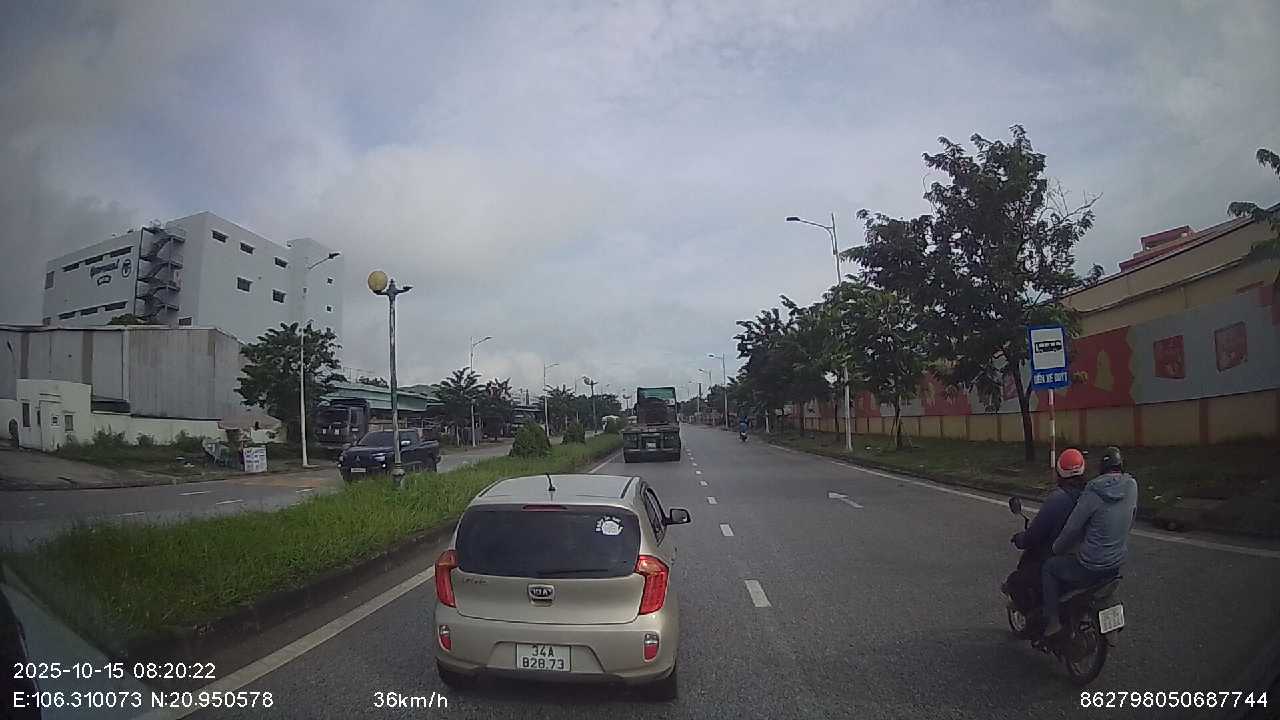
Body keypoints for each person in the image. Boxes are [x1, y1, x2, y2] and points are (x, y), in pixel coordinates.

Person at [1041, 446, 1138, 638]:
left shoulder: (1093, 491)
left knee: (1049, 567)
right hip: (1116, 564)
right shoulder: (1132, 486)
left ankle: (1053, 622)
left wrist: (1056, 548)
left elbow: (1072, 528)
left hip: (1090, 566)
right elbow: (1131, 517)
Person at [1004, 448, 1087, 611]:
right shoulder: (1090, 495)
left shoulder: (1057, 500)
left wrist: (1021, 539)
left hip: (1061, 558)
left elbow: (1035, 534)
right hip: (1087, 557)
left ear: (1059, 473)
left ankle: (1045, 619)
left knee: (1016, 581)